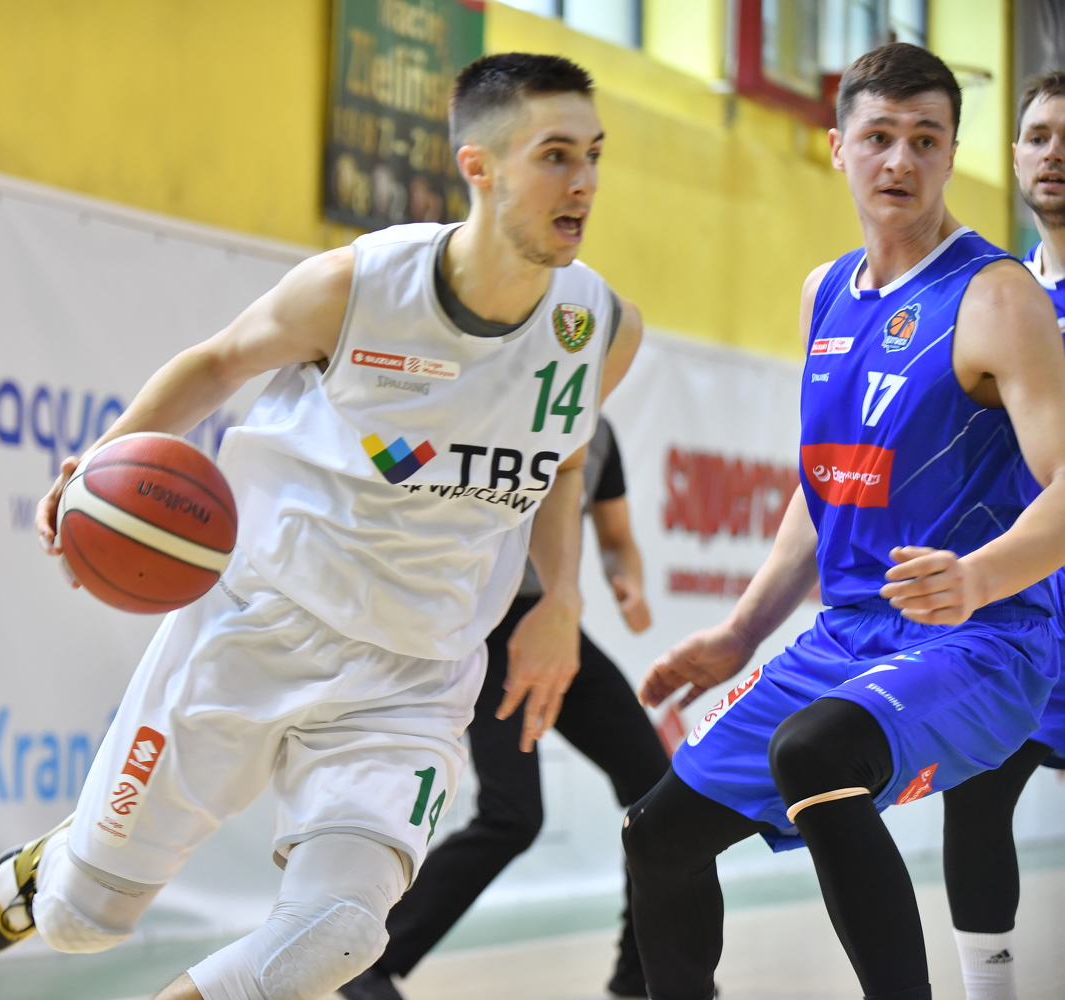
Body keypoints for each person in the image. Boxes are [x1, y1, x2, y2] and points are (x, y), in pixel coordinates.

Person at [0, 53, 644, 1000]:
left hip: (415, 676)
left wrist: (560, 598)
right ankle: (63, 864)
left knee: (339, 936)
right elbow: (218, 363)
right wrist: (99, 462)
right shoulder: (359, 286)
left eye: (595, 156)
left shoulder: (601, 329)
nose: (583, 183)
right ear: (479, 167)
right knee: (82, 924)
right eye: (556, 156)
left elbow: (564, 464)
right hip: (260, 624)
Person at [625, 43, 1065, 1000]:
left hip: (986, 639)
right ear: (838, 147)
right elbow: (825, 488)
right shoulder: (824, 292)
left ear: (952, 156)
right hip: (848, 636)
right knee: (656, 837)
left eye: (925, 139)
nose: (900, 160)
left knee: (815, 754)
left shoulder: (998, 296)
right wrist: (741, 631)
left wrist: (981, 577)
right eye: (879, 137)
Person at [338, 417, 667, 1000]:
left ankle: (641, 975)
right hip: (483, 626)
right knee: (512, 814)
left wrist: (629, 582)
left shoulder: (601, 433)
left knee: (660, 793)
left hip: (551, 626)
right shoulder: (492, 406)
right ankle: (365, 960)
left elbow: (616, 538)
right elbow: (401, 486)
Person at [939, 69, 1065, 1000]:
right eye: (1039, 135)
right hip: (1021, 612)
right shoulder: (996, 297)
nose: (1055, 153)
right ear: (1015, 155)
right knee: (973, 798)